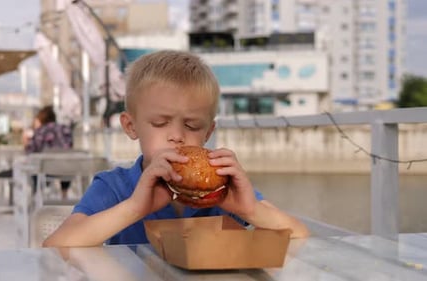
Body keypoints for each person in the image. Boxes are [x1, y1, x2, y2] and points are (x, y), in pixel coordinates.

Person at [43, 50, 309, 247]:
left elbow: (300, 236)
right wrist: (136, 207)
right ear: (130, 126)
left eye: (192, 126)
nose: (177, 136)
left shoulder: (222, 191)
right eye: (160, 123)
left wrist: (249, 209)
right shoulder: (115, 186)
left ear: (208, 132)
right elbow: (56, 244)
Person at [23, 105, 74, 199]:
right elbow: (70, 146)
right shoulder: (65, 129)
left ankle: (37, 195)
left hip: (46, 170)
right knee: (65, 164)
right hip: (66, 170)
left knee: (36, 170)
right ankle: (64, 195)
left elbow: (30, 152)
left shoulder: (40, 131)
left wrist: (25, 142)